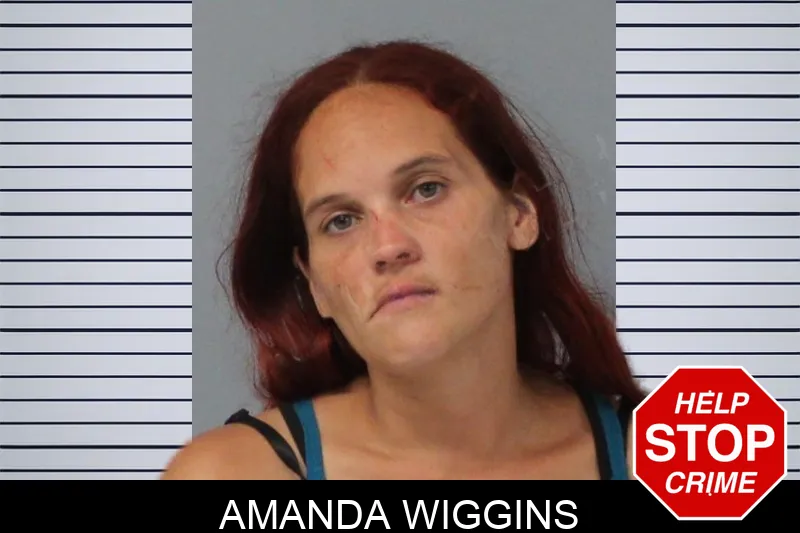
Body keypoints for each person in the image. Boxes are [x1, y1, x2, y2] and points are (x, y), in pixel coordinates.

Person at [162, 39, 646, 480]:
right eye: (341, 221)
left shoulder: (667, 458)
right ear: (313, 283)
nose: (389, 247)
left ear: (519, 214)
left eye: (426, 190)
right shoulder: (228, 476)